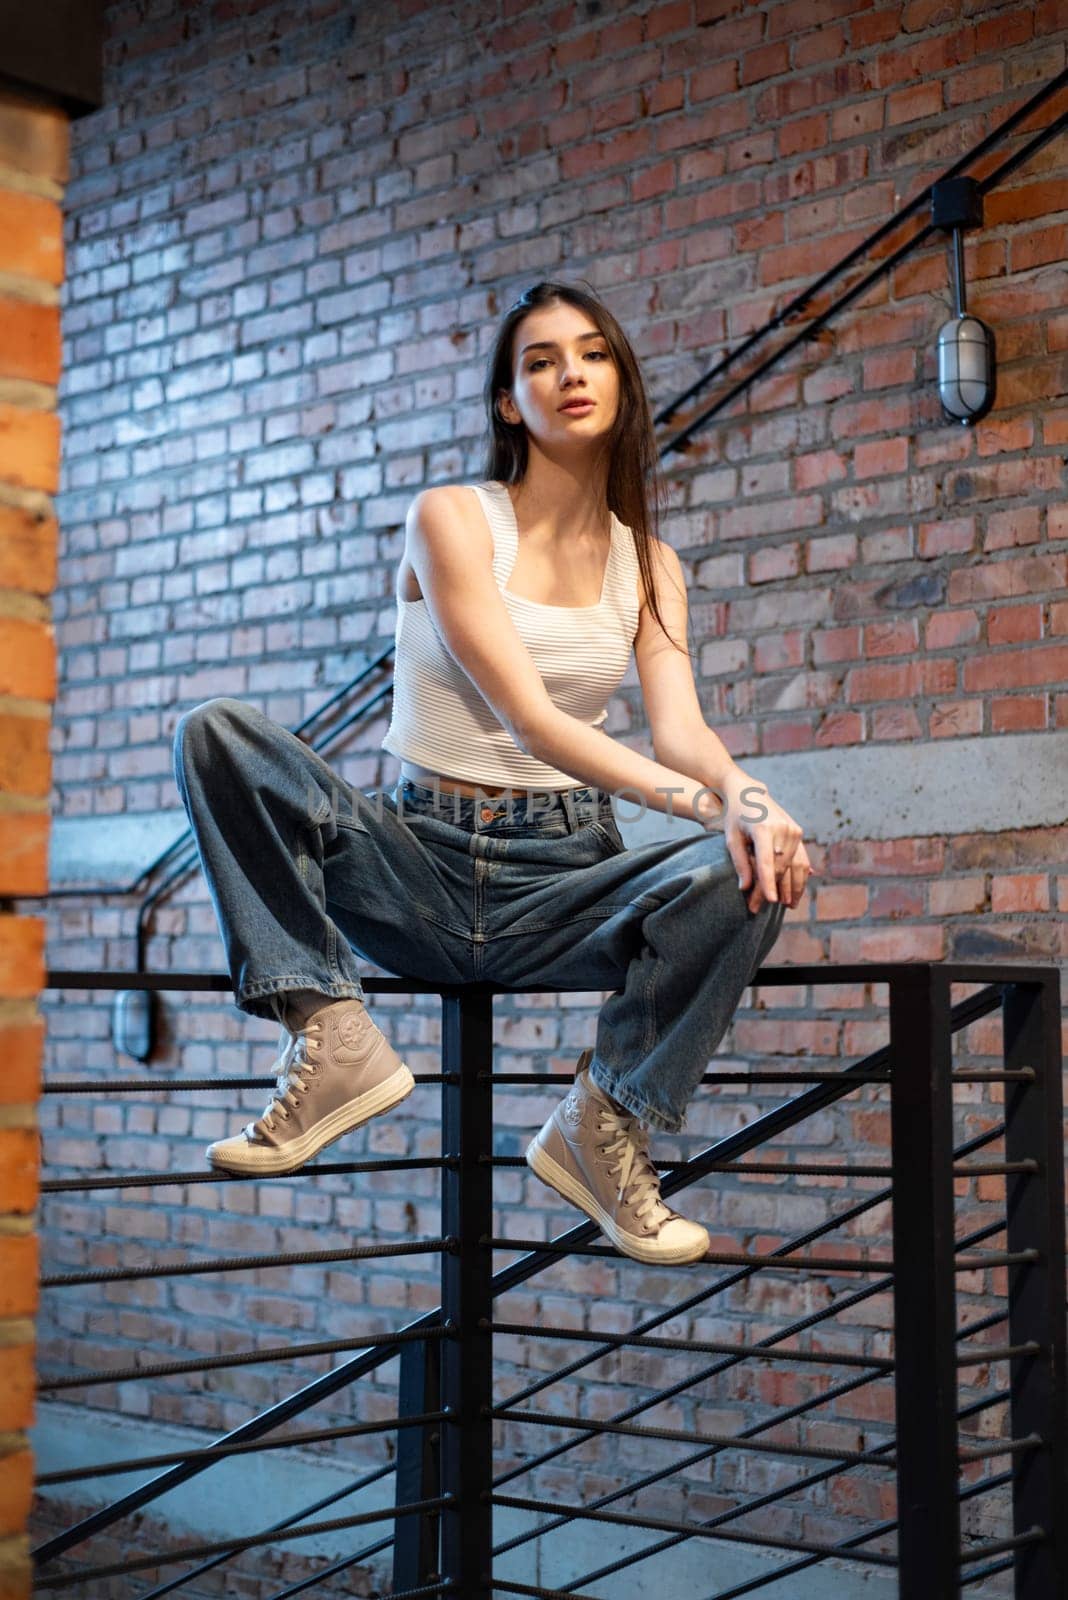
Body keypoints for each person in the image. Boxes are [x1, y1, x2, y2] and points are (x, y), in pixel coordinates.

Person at [173, 279, 814, 1266]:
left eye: (593, 354)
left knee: (747, 868)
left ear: (622, 385)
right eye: (543, 360)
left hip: (562, 875)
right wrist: (702, 802)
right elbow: (532, 717)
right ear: (509, 402)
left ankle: (602, 1125)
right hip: (411, 862)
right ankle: (329, 1027)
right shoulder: (453, 518)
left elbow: (683, 731)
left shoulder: (652, 567)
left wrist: (753, 802)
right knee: (219, 733)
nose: (571, 374)